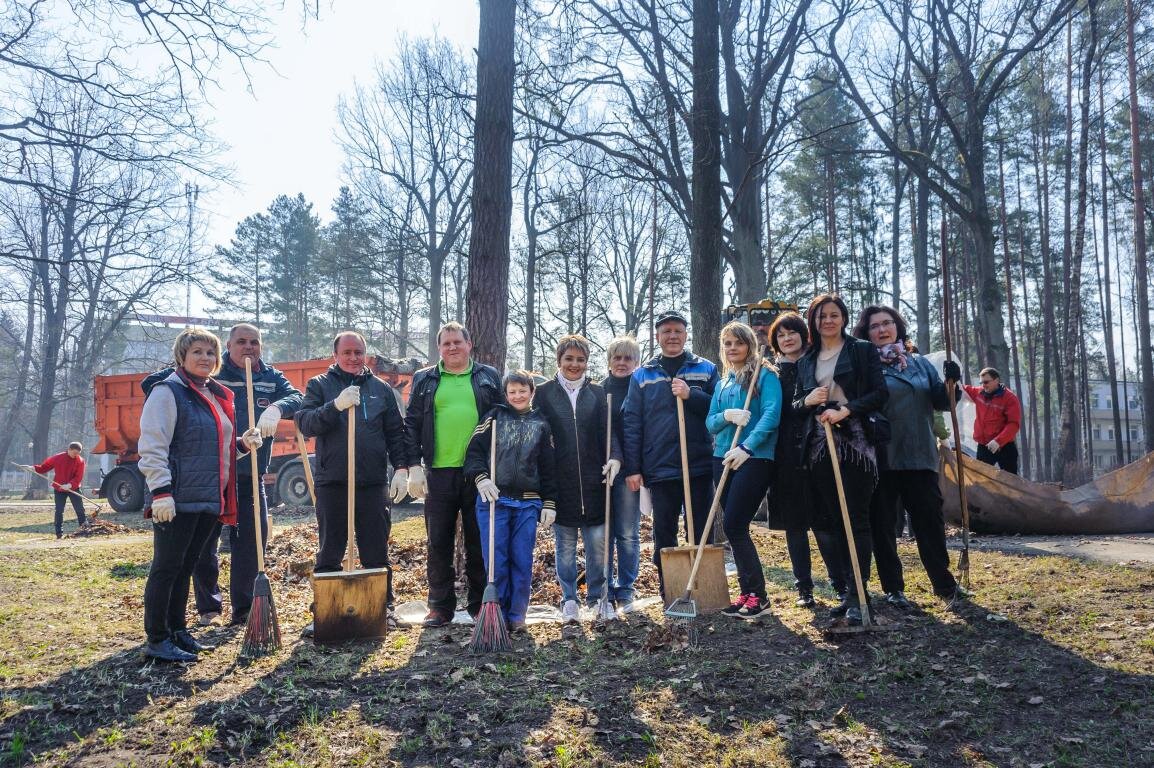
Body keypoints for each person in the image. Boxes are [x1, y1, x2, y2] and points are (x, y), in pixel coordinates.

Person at [141, 323, 304, 627]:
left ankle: (244, 609)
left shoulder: (269, 377)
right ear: (229, 346)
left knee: (252, 543)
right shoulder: (209, 374)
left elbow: (297, 397)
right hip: (210, 478)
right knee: (203, 547)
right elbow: (151, 385)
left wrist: (277, 409)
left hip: (249, 471)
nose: (249, 348)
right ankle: (209, 607)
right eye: (241, 342)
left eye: (255, 342)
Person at [138, 327, 263, 662]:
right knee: (166, 567)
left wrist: (241, 445)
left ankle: (178, 631)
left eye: (210, 353)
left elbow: (213, 449)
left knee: (186, 565)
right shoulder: (168, 392)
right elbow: (152, 446)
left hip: (208, 497)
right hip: (176, 498)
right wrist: (161, 492)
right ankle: (157, 638)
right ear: (182, 356)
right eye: (197, 352)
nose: (205, 358)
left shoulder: (211, 393)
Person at [295, 331, 419, 632]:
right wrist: (334, 406)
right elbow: (305, 423)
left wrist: (401, 468)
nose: (353, 358)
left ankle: (382, 607)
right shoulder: (320, 385)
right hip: (333, 481)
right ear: (335, 354)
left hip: (371, 482)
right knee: (330, 548)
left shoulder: (381, 390)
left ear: (365, 355)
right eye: (347, 352)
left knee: (375, 548)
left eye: (358, 352)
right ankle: (325, 609)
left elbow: (395, 432)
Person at [853, 305, 967, 608]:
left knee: (929, 521)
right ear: (866, 334)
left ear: (898, 327)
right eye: (874, 326)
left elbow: (941, 402)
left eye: (887, 323)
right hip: (882, 455)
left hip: (919, 453)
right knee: (884, 524)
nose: (881, 330)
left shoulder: (918, 363)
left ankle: (944, 584)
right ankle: (893, 588)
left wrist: (952, 384)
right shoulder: (864, 366)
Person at [793, 294, 888, 625]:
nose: (828, 321)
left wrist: (847, 409)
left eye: (834, 315)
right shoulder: (807, 360)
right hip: (820, 446)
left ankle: (860, 596)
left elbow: (879, 393)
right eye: (821, 317)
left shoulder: (861, 350)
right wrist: (808, 399)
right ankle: (848, 592)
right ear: (813, 322)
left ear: (844, 318)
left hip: (856, 443)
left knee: (856, 519)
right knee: (834, 520)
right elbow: (796, 404)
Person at [404, 322, 503, 628]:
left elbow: (502, 418)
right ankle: (439, 606)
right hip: (438, 472)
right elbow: (411, 423)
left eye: (457, 342)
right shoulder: (424, 379)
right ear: (439, 348)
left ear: (469, 345)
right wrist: (414, 467)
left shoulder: (488, 376)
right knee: (438, 541)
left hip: (480, 474)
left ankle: (477, 603)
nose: (452, 348)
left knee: (478, 540)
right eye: (446, 343)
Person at [622, 310, 719, 596]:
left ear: (685, 334)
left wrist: (692, 395)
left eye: (678, 331)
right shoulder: (642, 375)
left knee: (701, 528)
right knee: (664, 531)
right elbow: (631, 423)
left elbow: (719, 409)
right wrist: (634, 467)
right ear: (658, 337)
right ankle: (671, 589)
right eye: (667, 332)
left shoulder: (706, 369)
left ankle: (702, 588)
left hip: (699, 463)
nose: (672, 336)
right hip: (660, 466)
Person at [463, 371, 557, 633]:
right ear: (505, 394)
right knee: (496, 559)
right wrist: (481, 478)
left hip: (527, 503)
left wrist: (549, 502)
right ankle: (497, 613)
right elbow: (474, 453)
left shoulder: (541, 424)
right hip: (495, 500)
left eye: (522, 390)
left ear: (531, 392)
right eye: (512, 391)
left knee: (522, 559)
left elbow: (549, 468)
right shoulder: (494, 417)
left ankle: (517, 614)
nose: (517, 396)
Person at [535, 335, 620, 622]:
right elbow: (537, 435)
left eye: (580, 359)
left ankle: (598, 597)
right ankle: (569, 599)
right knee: (566, 549)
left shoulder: (598, 393)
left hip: (596, 483)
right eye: (569, 359)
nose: (575, 364)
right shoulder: (543, 393)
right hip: (561, 485)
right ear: (559, 360)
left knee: (598, 546)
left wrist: (615, 458)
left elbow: (609, 433)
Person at [765, 312, 845, 608]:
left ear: (803, 334)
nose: (787, 339)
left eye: (792, 333)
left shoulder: (818, 362)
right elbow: (773, 412)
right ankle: (804, 588)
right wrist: (802, 405)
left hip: (818, 448)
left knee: (824, 522)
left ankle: (839, 582)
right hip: (785, 454)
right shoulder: (771, 372)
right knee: (794, 524)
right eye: (781, 335)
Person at [706, 322, 782, 618]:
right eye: (727, 343)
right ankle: (747, 593)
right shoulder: (723, 382)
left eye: (738, 342)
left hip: (755, 457)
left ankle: (759, 596)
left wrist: (747, 447)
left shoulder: (765, 375)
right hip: (721, 457)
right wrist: (726, 415)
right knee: (734, 528)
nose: (732, 348)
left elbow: (772, 415)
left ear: (750, 344)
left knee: (735, 524)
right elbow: (710, 422)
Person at [601, 335, 642, 612]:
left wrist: (635, 468)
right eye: (617, 357)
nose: (622, 363)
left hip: (630, 472)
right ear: (609, 361)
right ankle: (603, 585)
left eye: (628, 358)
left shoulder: (641, 388)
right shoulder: (599, 389)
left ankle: (626, 587)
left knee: (627, 532)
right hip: (603, 472)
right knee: (605, 532)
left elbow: (640, 432)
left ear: (636, 362)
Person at [962, 367, 1021, 475]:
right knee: (981, 479)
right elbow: (962, 389)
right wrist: (952, 378)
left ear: (996, 380)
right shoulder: (979, 393)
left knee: (1010, 481)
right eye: (981, 382)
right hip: (984, 447)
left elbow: (1013, 424)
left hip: (1005, 447)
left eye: (986, 382)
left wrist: (998, 441)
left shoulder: (1010, 398)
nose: (983, 385)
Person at [26, 442, 88, 538]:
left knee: (80, 509)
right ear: (69, 449)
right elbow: (44, 467)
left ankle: (84, 531)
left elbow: (79, 477)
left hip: (74, 488)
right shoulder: (58, 458)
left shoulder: (80, 461)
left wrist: (70, 485)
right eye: (74, 453)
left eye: (78, 453)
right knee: (59, 511)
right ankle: (59, 533)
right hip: (59, 489)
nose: (76, 455)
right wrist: (33, 468)